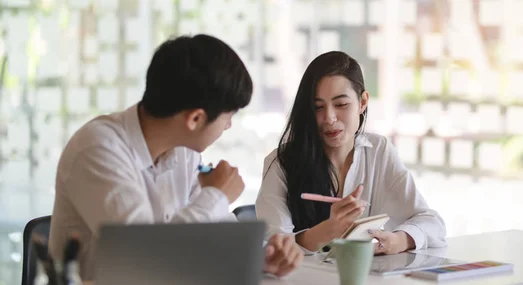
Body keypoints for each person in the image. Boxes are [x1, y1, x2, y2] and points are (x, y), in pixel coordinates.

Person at [48, 34, 303, 281]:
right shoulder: (98, 150)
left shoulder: (183, 153)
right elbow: (147, 258)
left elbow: (211, 238)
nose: (228, 127)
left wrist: (262, 256)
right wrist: (216, 195)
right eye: (228, 117)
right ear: (195, 119)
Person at [256, 51, 447, 255]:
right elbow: (273, 246)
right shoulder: (280, 162)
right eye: (318, 107)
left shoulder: (378, 152)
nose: (329, 118)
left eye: (341, 105)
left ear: (363, 102)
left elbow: (432, 224)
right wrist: (330, 229)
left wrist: (398, 240)